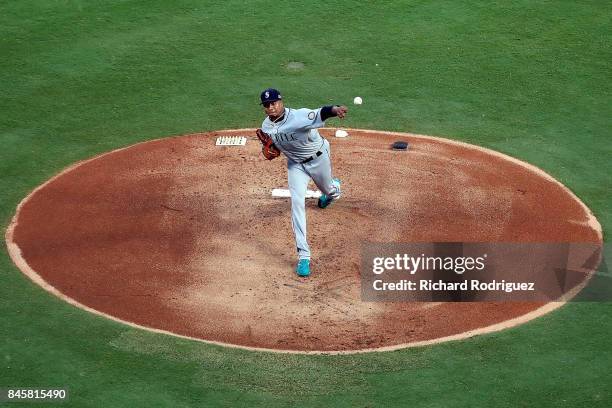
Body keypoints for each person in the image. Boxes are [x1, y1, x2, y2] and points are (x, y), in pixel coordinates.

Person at [258, 88, 348, 277]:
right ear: (264, 108)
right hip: (295, 165)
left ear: (281, 102)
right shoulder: (266, 127)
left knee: (330, 190)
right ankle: (304, 256)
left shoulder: (298, 117)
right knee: (296, 203)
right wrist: (269, 151)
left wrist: (335, 110)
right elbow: (272, 150)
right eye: (267, 105)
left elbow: (320, 112)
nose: (271, 107)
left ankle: (333, 189)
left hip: (318, 158)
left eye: (274, 102)